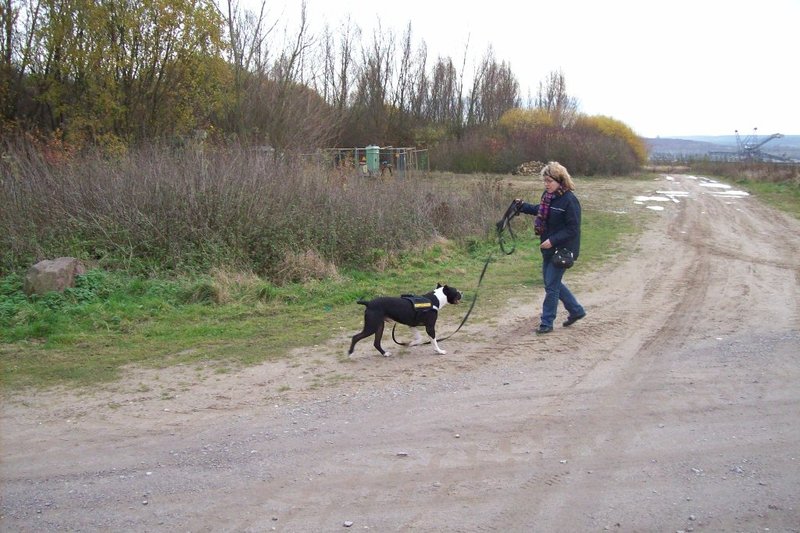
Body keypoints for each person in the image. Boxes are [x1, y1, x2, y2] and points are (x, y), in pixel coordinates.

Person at [515, 161, 586, 334]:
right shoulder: (548, 197)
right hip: (547, 248)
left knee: (551, 287)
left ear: (560, 180)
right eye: (545, 181)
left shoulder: (570, 201)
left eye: (549, 181)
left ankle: (546, 323)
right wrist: (522, 206)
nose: (546, 184)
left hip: (563, 251)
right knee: (551, 283)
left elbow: (572, 229)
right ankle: (576, 310)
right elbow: (542, 211)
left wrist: (553, 240)